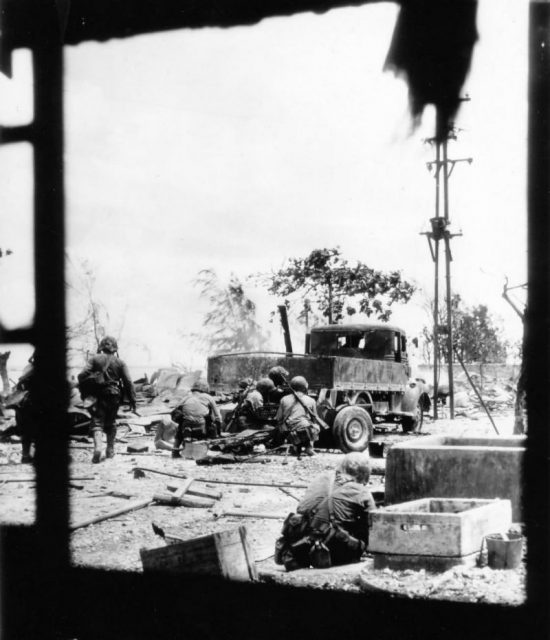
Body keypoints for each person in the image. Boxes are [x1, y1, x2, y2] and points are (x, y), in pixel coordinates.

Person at [275, 452, 376, 571]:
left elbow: (301, 508)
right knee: (363, 526)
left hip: (302, 546)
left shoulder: (321, 478)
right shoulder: (361, 491)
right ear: (363, 473)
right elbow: (375, 522)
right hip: (335, 550)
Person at [77, 336, 136, 463]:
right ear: (115, 348)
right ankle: (110, 450)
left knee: (97, 421)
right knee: (111, 421)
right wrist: (132, 400)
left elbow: (82, 375)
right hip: (115, 395)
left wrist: (88, 385)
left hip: (98, 394)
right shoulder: (120, 363)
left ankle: (98, 448)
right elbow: (128, 382)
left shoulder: (94, 359)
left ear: (102, 347)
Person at [170, 381, 222, 457]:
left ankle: (175, 449)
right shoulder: (208, 397)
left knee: (181, 426)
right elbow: (218, 416)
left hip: (186, 424)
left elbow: (176, 409)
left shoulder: (187, 397)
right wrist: (219, 431)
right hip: (201, 425)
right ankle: (208, 444)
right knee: (210, 420)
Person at [275, 375, 320, 457]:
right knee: (315, 426)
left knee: (285, 426)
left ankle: (295, 447)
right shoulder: (311, 400)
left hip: (288, 430)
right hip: (305, 429)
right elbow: (315, 419)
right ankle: (309, 447)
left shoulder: (284, 399)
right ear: (304, 387)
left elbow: (279, 418)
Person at [8, 353, 40, 464]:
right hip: (37, 403)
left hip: (24, 403)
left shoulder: (28, 367)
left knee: (25, 431)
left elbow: (20, 384)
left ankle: (26, 456)